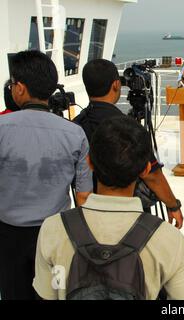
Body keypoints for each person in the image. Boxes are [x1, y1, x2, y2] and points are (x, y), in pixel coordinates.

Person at [33, 116, 184, 300]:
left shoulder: (53, 229)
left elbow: (46, 295)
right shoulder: (169, 239)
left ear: (89, 162)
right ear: (145, 170)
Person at [0, 50, 93, 300]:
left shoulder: (2, 128)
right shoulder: (74, 133)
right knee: (56, 293)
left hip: (9, 235)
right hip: (57, 233)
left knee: (14, 293)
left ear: (19, 88)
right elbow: (84, 195)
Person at [74, 59, 184, 229]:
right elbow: (152, 175)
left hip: (89, 216)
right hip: (130, 215)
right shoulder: (126, 128)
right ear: (116, 85)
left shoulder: (76, 125)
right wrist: (173, 205)